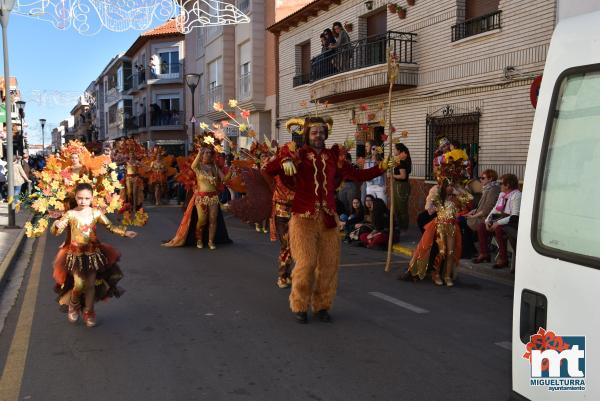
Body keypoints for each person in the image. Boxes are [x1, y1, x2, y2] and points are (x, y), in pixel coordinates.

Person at [265, 116, 389, 323]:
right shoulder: (298, 154)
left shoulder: (334, 156)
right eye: (314, 132)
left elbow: (356, 175)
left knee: (329, 265)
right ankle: (300, 305)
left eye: (321, 132)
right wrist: (284, 159)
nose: (318, 135)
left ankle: (322, 306)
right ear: (307, 134)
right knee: (306, 263)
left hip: (329, 219)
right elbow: (269, 170)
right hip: (303, 218)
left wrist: (382, 167)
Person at [50, 183, 137, 327]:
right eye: (80, 198)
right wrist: (56, 225)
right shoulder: (71, 214)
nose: (83, 201)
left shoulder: (96, 213)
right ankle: (73, 305)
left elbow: (110, 227)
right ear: (75, 198)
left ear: (92, 198)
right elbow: (57, 231)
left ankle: (89, 312)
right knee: (79, 284)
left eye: (86, 198)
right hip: (75, 255)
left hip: (93, 254)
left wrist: (125, 232)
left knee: (90, 285)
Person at [406, 150, 473, 286]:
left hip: (453, 227)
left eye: (451, 185)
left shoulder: (456, 197)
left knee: (450, 252)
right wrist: (433, 203)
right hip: (440, 226)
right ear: (443, 186)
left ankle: (447, 276)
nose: (450, 188)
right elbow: (428, 208)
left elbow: (469, 198)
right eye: (448, 185)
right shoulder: (438, 196)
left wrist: (458, 188)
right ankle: (435, 274)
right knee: (441, 252)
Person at [163, 143, 231, 249]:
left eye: (210, 153)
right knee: (202, 220)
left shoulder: (215, 167)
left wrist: (231, 172)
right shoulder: (198, 167)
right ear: (202, 155)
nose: (208, 154)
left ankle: (210, 241)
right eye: (206, 153)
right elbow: (192, 166)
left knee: (213, 219)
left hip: (213, 198)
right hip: (201, 198)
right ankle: (199, 239)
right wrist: (199, 152)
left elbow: (224, 179)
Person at [473, 173, 521, 269]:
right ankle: (484, 254)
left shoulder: (517, 195)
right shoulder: (502, 194)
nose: (500, 185)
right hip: (501, 218)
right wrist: (487, 220)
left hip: (512, 222)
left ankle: (503, 259)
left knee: (499, 228)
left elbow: (515, 216)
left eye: (501, 183)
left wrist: (497, 223)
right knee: (482, 227)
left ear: (507, 185)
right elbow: (495, 209)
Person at [460, 169, 500, 258]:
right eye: (480, 178)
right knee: (461, 220)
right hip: (481, 215)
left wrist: (473, 216)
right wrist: (473, 211)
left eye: (483, 178)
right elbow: (481, 206)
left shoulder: (493, 189)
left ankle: (468, 251)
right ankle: (470, 250)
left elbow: (487, 209)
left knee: (462, 222)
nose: (480, 180)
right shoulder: (488, 188)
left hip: (485, 218)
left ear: (490, 179)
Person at [392, 143, 412, 235]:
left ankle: (404, 228)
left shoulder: (402, 162)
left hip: (401, 186)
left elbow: (403, 176)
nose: (394, 151)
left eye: (395, 149)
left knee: (402, 208)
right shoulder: (399, 161)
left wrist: (392, 175)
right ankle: (399, 226)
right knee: (396, 207)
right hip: (398, 185)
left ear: (399, 151)